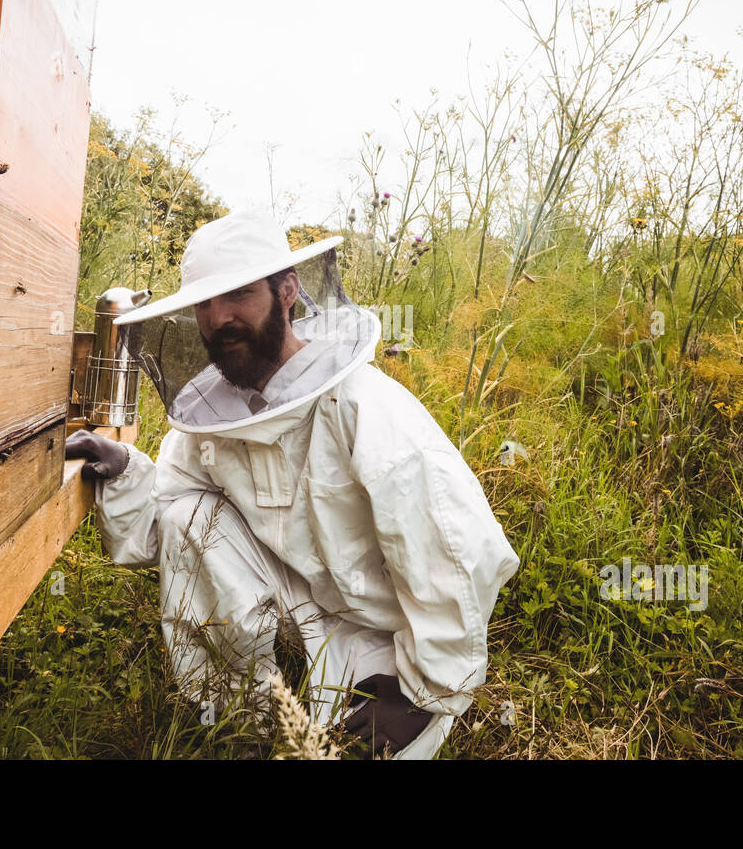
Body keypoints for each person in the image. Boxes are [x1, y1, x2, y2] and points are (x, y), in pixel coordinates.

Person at [67, 211, 519, 759]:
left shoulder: (363, 409)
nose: (218, 318)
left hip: (386, 641)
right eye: (205, 304)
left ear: (288, 291)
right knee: (192, 517)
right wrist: (126, 472)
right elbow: (168, 527)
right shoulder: (214, 420)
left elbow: (459, 551)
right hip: (300, 610)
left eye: (238, 294)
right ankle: (240, 721)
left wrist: (421, 691)